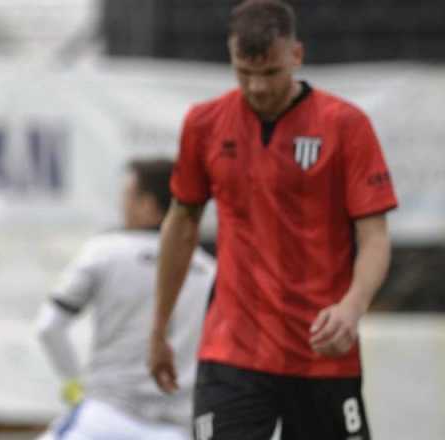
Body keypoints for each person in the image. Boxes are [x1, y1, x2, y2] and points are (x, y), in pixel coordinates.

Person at [148, 1, 397, 439]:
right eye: (244, 72)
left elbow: (374, 235)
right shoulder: (204, 124)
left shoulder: (346, 125)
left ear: (296, 56)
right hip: (232, 353)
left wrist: (352, 308)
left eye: (270, 73)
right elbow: (181, 223)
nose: (257, 87)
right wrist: (158, 328)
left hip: (323, 351)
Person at [36, 159, 215, 440]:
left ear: (148, 206)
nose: (122, 206)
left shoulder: (105, 252)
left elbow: (49, 327)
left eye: (128, 197)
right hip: (177, 427)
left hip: (104, 417)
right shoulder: (209, 270)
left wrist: (74, 388)